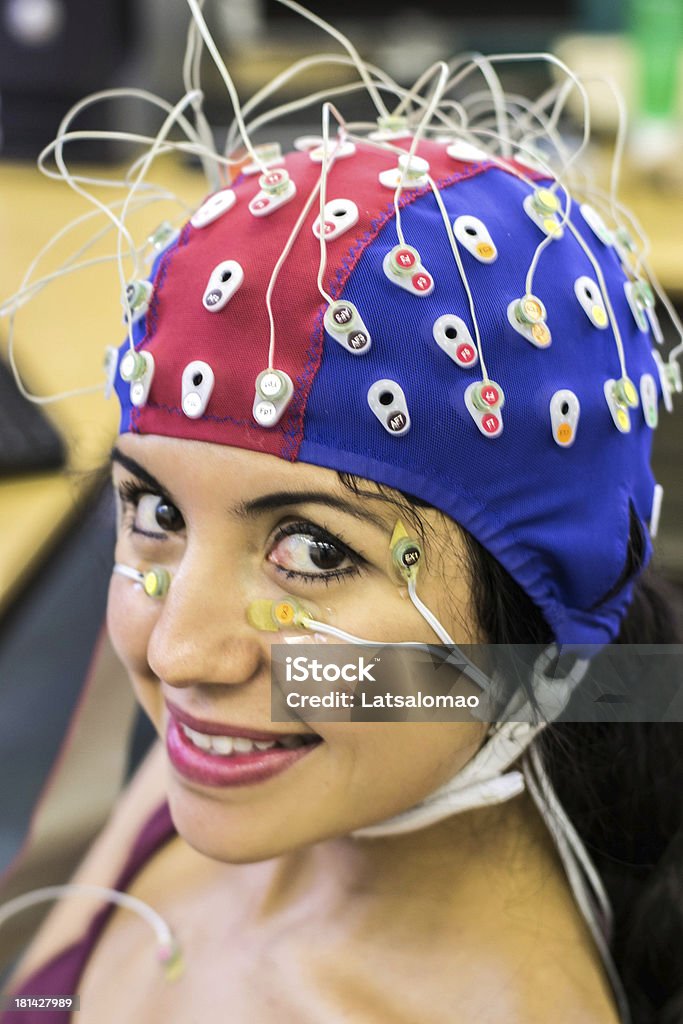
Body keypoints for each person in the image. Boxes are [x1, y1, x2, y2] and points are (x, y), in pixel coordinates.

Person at [1, 2, 682, 1021]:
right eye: (154, 509)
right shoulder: (248, 753)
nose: (181, 651)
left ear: (539, 617)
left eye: (313, 548)